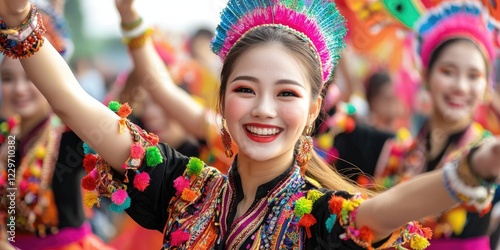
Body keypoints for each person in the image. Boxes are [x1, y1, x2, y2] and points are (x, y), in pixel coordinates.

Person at [1, 0, 499, 249]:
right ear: (222, 100)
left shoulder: (316, 217)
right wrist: (21, 18)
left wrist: (477, 166)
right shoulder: (184, 187)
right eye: (245, 89)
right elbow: (73, 104)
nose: (263, 108)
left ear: (312, 110)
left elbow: (381, 213)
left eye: (286, 94)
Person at [317, 1, 500, 248]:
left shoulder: (490, 154)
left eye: (474, 76)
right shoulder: (393, 151)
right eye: (448, 71)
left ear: (486, 86)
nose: (461, 86)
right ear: (425, 75)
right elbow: (324, 119)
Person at [0, 2, 114, 250]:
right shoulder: (4, 135)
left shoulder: (70, 135)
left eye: (30, 78)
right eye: (7, 79)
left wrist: (129, 22)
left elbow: (116, 115)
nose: (19, 89)